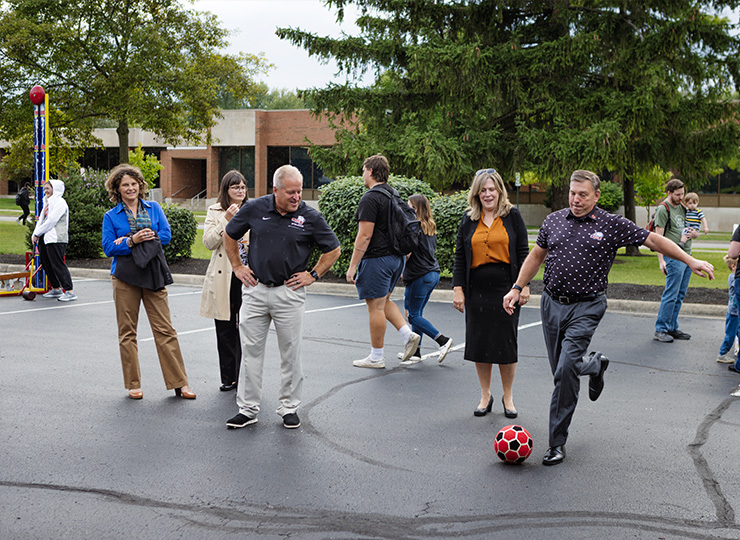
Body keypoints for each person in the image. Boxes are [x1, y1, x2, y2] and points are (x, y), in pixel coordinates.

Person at [503, 170, 714, 466]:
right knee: (563, 370)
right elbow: (537, 256)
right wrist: (517, 286)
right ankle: (594, 363)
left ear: (597, 195)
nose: (576, 200)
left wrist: (690, 260)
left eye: (583, 195)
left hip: (587, 307)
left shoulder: (611, 224)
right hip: (551, 304)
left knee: (565, 372)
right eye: (572, 194)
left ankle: (556, 442)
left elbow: (654, 240)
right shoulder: (554, 220)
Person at [223, 164, 340, 430]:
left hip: (289, 293)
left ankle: (289, 407)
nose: (297, 197)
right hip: (255, 290)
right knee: (251, 352)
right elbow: (229, 235)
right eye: (291, 192)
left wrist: (313, 274)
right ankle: (248, 408)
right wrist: (238, 268)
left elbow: (333, 249)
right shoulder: (254, 208)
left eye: (299, 191)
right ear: (275, 190)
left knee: (291, 353)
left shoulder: (310, 217)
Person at [102, 164, 196, 401]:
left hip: (152, 273)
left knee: (165, 329)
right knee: (127, 332)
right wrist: (131, 241)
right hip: (124, 277)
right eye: (125, 185)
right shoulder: (111, 216)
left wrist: (141, 238)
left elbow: (165, 235)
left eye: (134, 184)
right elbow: (107, 247)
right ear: (117, 189)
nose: (130, 188)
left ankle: (180, 383)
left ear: (140, 185)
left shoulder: (154, 208)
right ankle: (133, 384)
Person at [452, 169, 529, 418]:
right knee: (480, 343)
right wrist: (458, 289)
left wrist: (524, 285)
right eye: (483, 190)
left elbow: (523, 252)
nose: (487, 194)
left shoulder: (512, 216)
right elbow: (460, 257)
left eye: (492, 189)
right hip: (476, 290)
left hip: (507, 289)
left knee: (506, 344)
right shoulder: (468, 219)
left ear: (499, 191)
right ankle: (485, 395)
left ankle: (508, 397)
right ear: (477, 193)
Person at [347, 154, 421, 369]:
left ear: (370, 171)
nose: (362, 174)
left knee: (375, 307)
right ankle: (408, 335)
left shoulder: (371, 198)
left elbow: (364, 236)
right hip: (396, 258)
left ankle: (376, 356)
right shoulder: (394, 195)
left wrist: (352, 266)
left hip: (377, 259)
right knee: (384, 302)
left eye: (363, 170)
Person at [200, 170, 249, 391]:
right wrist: (226, 219)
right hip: (225, 277)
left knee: (248, 327)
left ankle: (247, 377)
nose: (240, 191)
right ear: (226, 190)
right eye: (235, 187)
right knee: (225, 328)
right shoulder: (215, 211)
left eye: (243, 187)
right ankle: (229, 377)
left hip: (248, 275)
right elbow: (209, 242)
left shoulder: (253, 209)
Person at [402, 193, 453, 364]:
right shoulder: (429, 226)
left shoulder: (414, 227)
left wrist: (398, 268)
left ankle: (442, 340)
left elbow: (407, 253)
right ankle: (416, 353)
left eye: (409, 206)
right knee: (418, 314)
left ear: (415, 208)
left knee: (412, 315)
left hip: (419, 275)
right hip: (432, 274)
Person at [653, 178, 699, 343]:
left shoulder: (682, 208)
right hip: (672, 257)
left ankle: (672, 327)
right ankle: (661, 329)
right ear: (669, 193)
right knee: (671, 294)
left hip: (686, 255)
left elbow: (692, 228)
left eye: (682, 194)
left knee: (680, 294)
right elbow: (657, 238)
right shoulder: (663, 209)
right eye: (678, 195)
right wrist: (661, 260)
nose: (681, 198)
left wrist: (694, 234)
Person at [31, 179, 76, 302]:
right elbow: (41, 220)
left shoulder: (60, 203)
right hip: (45, 239)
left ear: (55, 189)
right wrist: (35, 234)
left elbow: (51, 221)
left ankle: (69, 290)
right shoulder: (47, 203)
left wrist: (38, 232)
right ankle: (56, 288)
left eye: (48, 188)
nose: (45, 191)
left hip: (56, 239)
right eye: (44, 188)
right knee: (46, 263)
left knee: (57, 264)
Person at [717, 255, 738, 364]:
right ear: (733, 266)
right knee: (730, 334)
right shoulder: (733, 278)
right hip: (734, 312)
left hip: (736, 312)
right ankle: (722, 354)